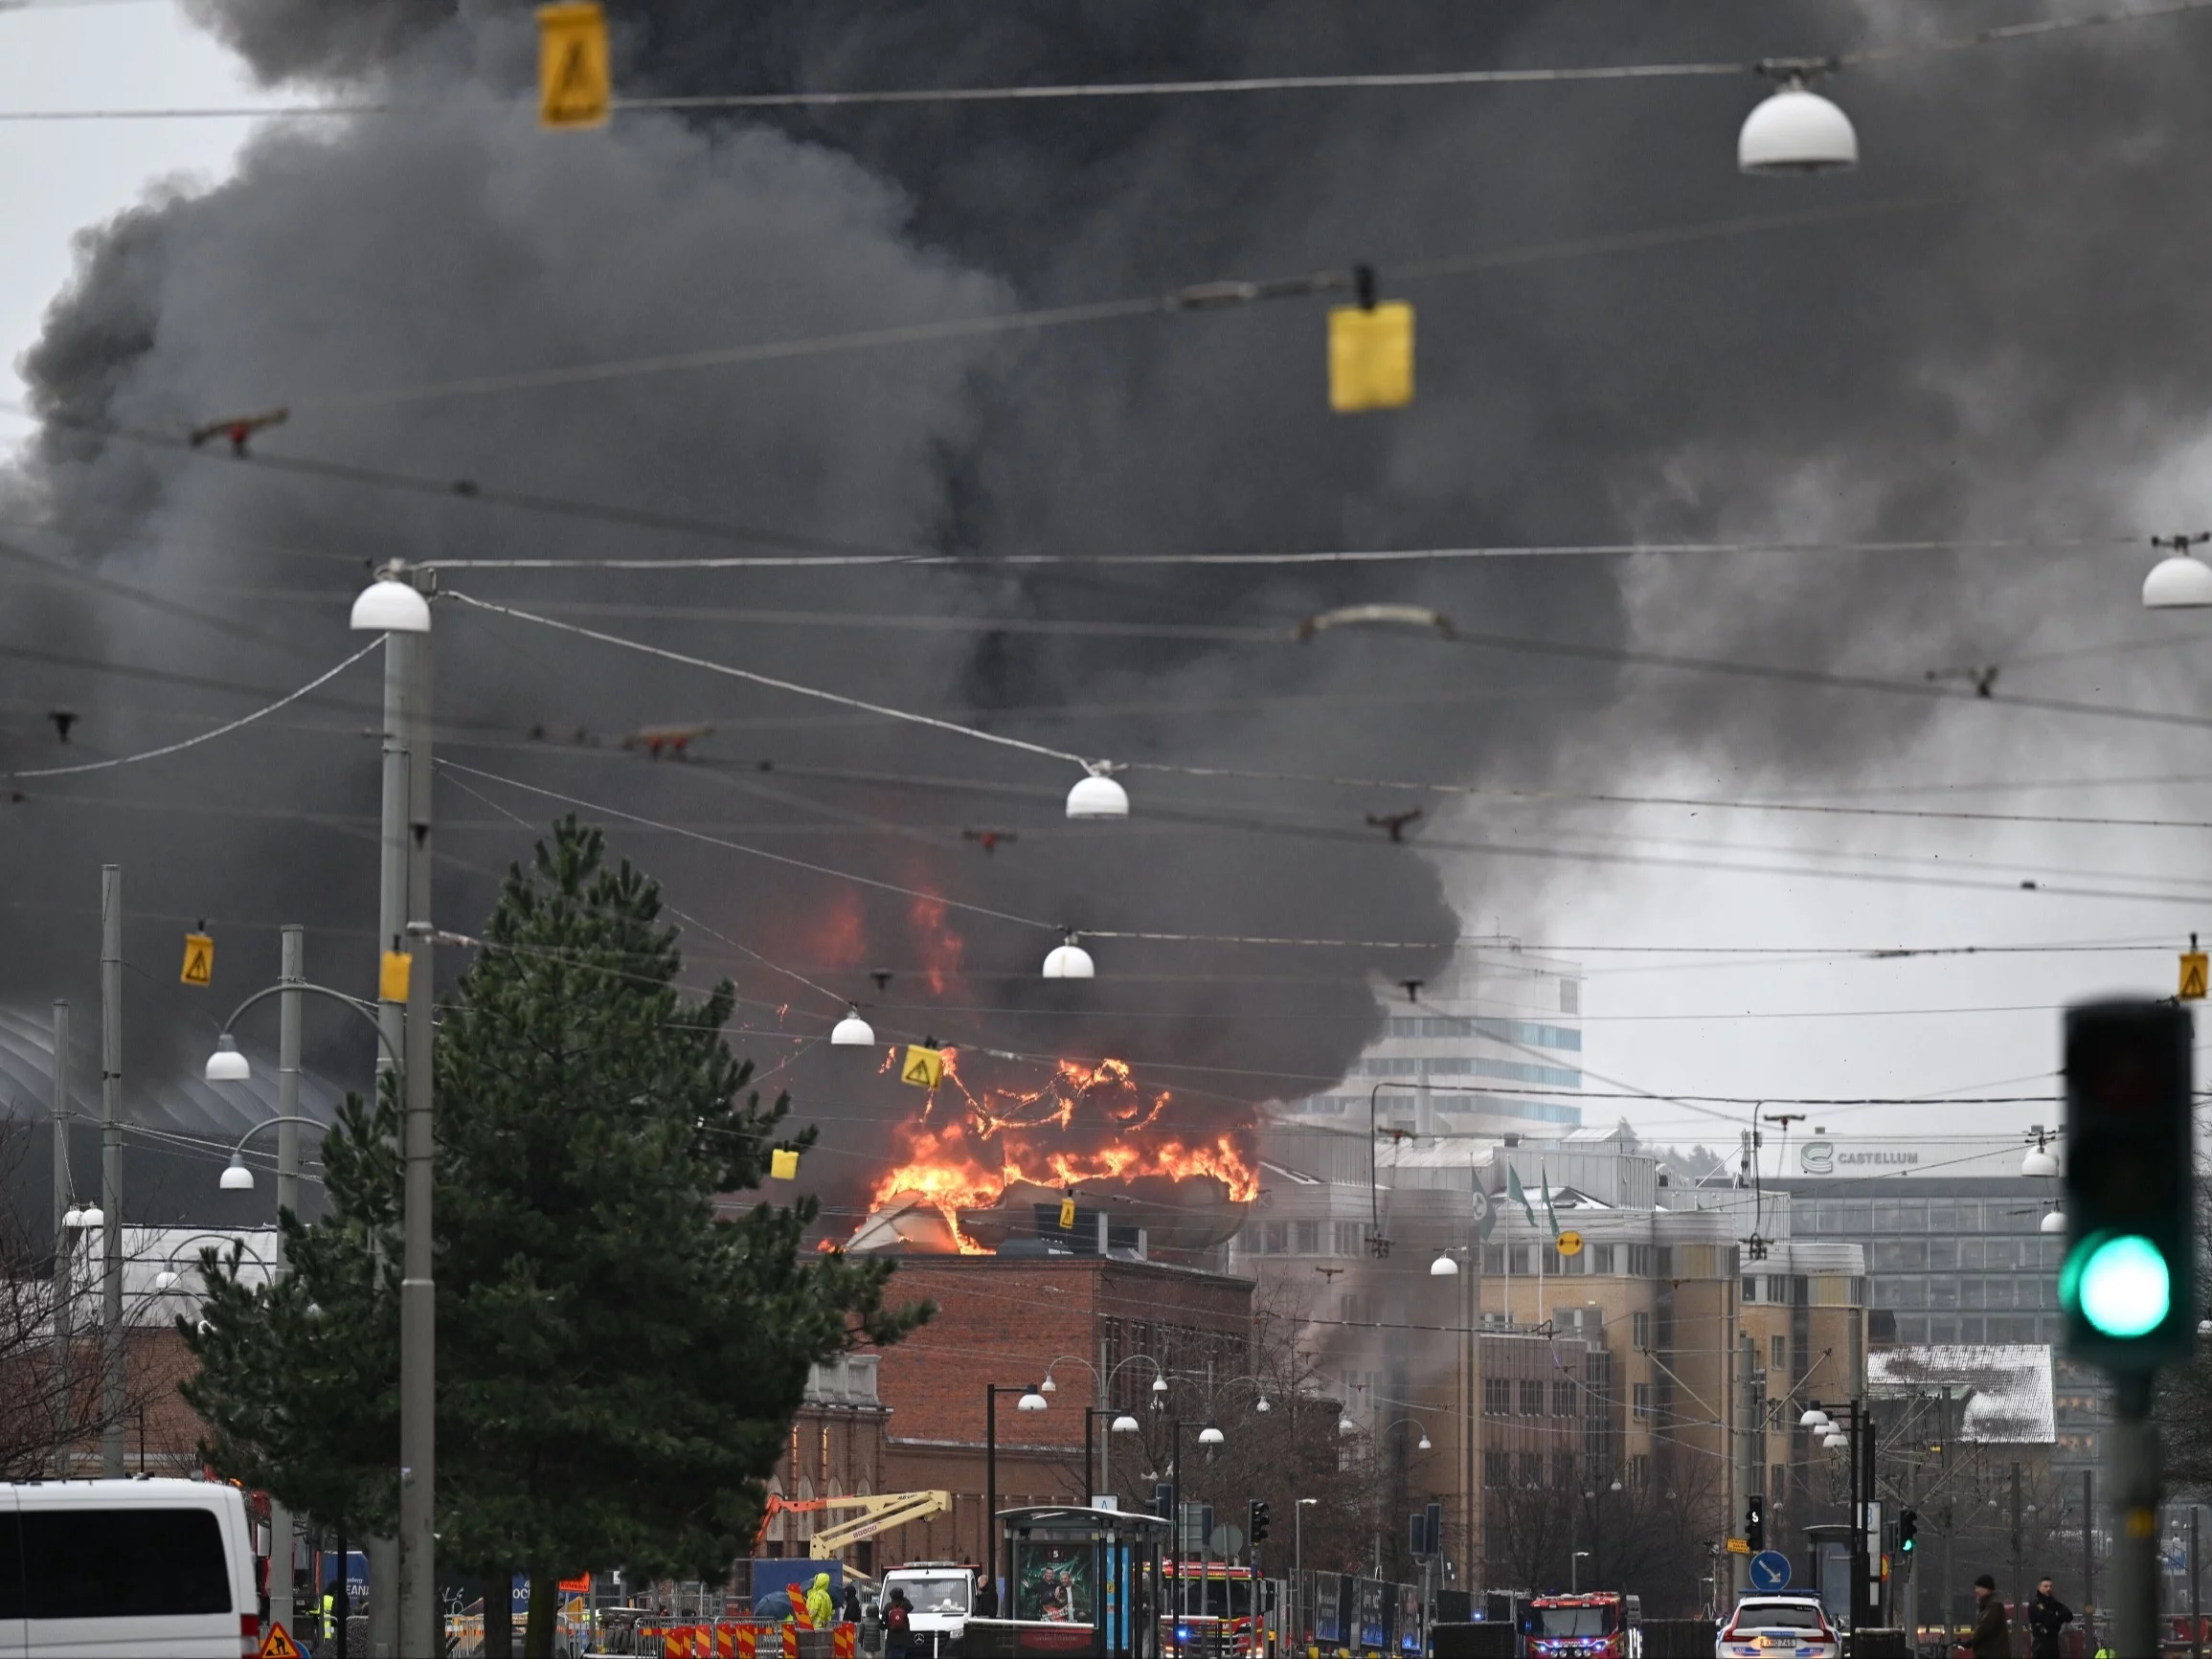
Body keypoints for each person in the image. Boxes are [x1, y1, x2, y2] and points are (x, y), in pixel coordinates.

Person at [2026, 1575, 2073, 1659]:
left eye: (2050, 1586)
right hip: (2040, 1645)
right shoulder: (2035, 1603)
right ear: (2039, 1587)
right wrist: (2058, 1617)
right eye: (2045, 1586)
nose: (2049, 1589)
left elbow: (2069, 1615)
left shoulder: (2053, 1602)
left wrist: (2055, 1616)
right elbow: (2047, 1620)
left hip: (2054, 1645)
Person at [1969, 1574, 2010, 1659]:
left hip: (1992, 1654)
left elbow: (1984, 1627)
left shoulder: (1994, 1606)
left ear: (1987, 1588)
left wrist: (1972, 1641)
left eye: (1979, 1587)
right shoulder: (1986, 1606)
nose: (1976, 1590)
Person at [884, 1588, 913, 1659]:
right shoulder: (905, 1605)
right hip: (903, 1637)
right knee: (902, 1653)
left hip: (891, 1637)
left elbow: (884, 1619)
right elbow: (911, 1607)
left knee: (891, 1654)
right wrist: (904, 1598)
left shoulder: (888, 1606)